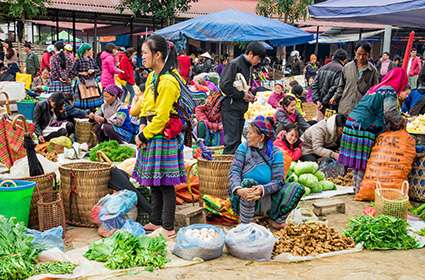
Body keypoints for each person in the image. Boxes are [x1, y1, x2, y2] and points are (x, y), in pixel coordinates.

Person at [132, 35, 186, 238]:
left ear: (158, 55)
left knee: (165, 183)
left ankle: (168, 227)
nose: (142, 57)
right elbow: (147, 104)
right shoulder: (153, 77)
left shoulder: (169, 82)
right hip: (152, 131)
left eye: (145, 53)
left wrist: (143, 135)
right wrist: (143, 123)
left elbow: (163, 116)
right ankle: (156, 221)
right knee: (154, 182)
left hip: (164, 135)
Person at [339, 68, 410, 192]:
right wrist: (402, 121)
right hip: (363, 126)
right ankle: (361, 190)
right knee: (363, 162)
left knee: (358, 162)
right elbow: (389, 112)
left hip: (352, 122)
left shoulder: (376, 88)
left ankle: (357, 188)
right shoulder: (389, 91)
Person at [229, 116, 305, 229]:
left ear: (261, 137)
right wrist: (239, 190)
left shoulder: (275, 153)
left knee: (296, 188)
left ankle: (275, 219)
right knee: (248, 183)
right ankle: (246, 221)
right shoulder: (243, 148)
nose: (247, 136)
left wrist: (261, 189)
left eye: (250, 133)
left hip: (268, 197)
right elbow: (234, 171)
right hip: (244, 195)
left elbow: (278, 181)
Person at [220, 42, 266, 154]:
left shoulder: (248, 66)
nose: (258, 61)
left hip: (239, 109)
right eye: (258, 58)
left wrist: (248, 94)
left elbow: (242, 87)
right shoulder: (235, 64)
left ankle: (233, 168)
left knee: (237, 142)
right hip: (230, 108)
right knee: (231, 142)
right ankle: (227, 169)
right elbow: (224, 86)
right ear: (250, 54)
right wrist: (242, 95)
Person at [332, 41, 379, 115]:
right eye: (359, 54)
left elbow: (375, 91)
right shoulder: (347, 67)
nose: (361, 57)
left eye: (364, 55)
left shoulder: (372, 71)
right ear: (355, 52)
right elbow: (341, 86)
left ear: (368, 54)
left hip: (362, 110)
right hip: (345, 108)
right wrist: (335, 97)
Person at [312, 49, 348, 120]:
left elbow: (314, 85)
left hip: (320, 105)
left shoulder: (322, 67)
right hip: (331, 105)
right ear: (344, 60)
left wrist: (318, 101)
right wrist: (323, 102)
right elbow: (334, 88)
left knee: (321, 125)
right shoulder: (341, 69)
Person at [73, 43, 102, 110]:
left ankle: (92, 113)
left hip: (92, 83)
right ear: (86, 51)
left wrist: (93, 70)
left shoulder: (92, 60)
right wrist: (81, 73)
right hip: (82, 83)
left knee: (93, 104)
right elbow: (72, 72)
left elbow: (99, 70)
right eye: (91, 50)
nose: (92, 51)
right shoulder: (78, 61)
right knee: (83, 103)